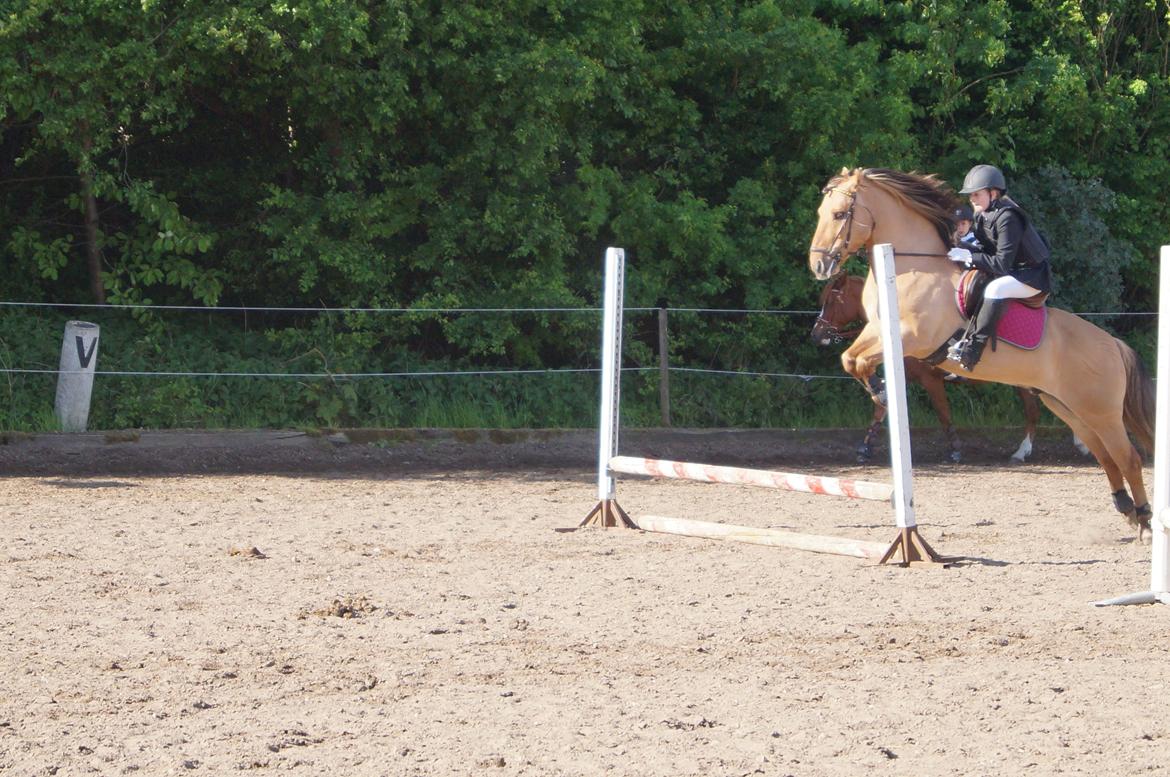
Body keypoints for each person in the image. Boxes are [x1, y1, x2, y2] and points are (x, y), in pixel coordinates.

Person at [945, 164, 1052, 371]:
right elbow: (984, 250)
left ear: (993, 193)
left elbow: (1001, 264)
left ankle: (974, 350)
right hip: (1012, 270)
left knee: (995, 289)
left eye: (976, 194)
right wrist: (955, 245)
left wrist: (969, 255)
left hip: (1031, 276)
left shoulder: (1008, 218)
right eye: (971, 196)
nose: (972, 200)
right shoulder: (981, 215)